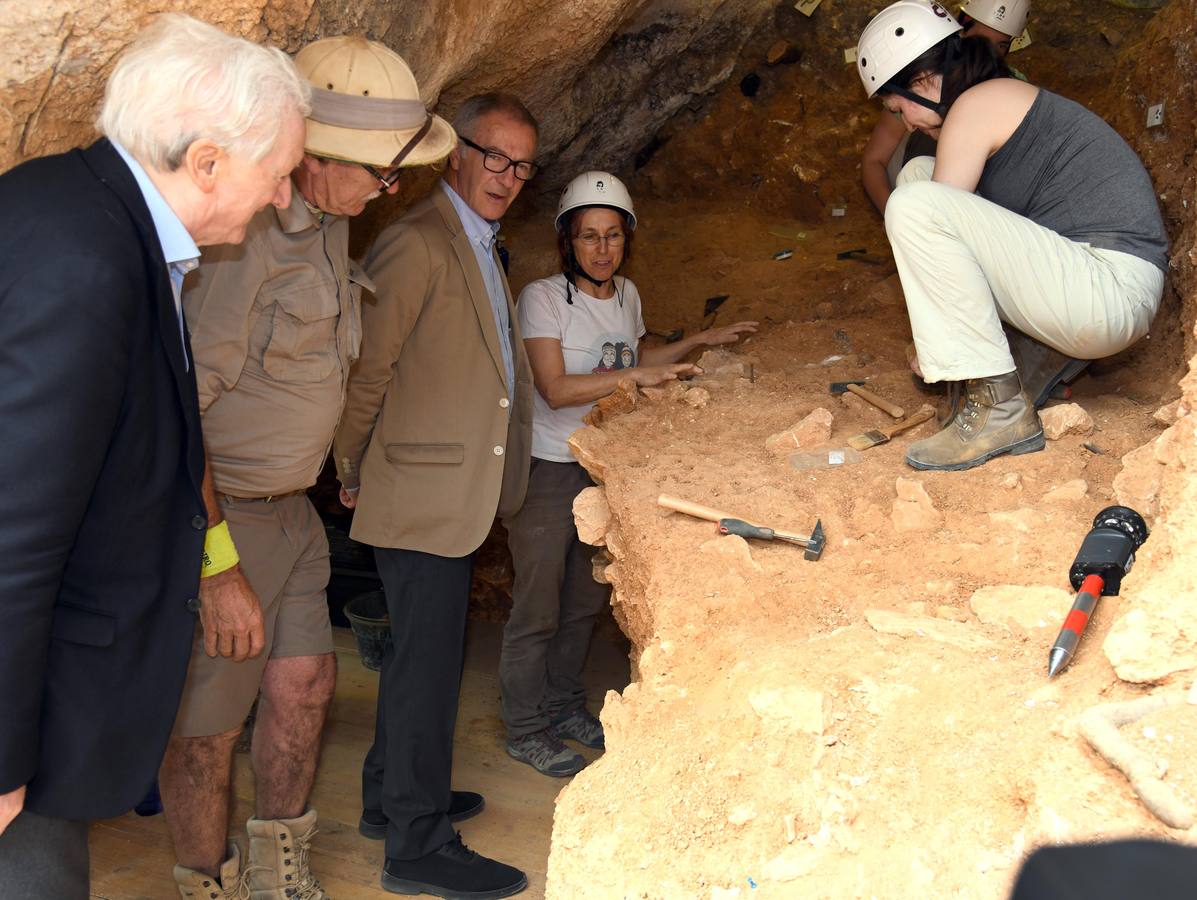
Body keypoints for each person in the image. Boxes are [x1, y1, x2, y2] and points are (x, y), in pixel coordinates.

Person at [0, 14, 308, 898]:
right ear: (207, 161)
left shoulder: (77, 207)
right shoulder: (87, 259)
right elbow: (14, 526)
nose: (286, 198)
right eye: (279, 173)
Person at [158, 37, 455, 899]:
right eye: (381, 173)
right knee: (207, 728)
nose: (387, 190)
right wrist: (217, 569)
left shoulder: (331, 226)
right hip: (225, 521)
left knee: (306, 687)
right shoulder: (236, 248)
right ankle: (202, 882)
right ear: (317, 159)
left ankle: (276, 872)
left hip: (293, 514)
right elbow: (177, 426)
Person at [333, 92, 540, 899]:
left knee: (421, 663)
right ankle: (416, 844)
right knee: (425, 671)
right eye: (494, 156)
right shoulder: (416, 243)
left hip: (450, 494)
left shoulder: (482, 244)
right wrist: (347, 465)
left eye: (522, 164)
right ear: (455, 153)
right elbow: (368, 369)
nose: (507, 176)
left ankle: (392, 801)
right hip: (416, 493)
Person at [501, 171, 757, 777]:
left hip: (605, 471)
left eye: (613, 235)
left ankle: (565, 709)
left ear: (626, 239)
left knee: (584, 602)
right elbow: (555, 387)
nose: (602, 248)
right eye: (589, 236)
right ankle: (524, 726)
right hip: (549, 468)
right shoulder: (542, 297)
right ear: (569, 240)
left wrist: (700, 340)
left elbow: (636, 357)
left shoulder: (626, 295)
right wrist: (631, 381)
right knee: (537, 606)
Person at [855, 0, 1167, 471]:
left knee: (916, 202)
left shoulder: (977, 106)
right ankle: (1013, 362)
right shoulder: (993, 97)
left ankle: (999, 406)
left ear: (924, 81)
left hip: (1109, 289)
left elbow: (936, 223)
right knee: (919, 173)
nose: (906, 123)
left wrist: (937, 343)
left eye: (899, 108)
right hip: (1093, 283)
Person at [861, 0, 1031, 214]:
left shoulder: (1012, 85)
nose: (989, 52)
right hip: (924, 178)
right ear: (961, 30)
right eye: (982, 39)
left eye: (1001, 45)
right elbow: (874, 160)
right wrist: (895, 218)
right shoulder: (921, 89)